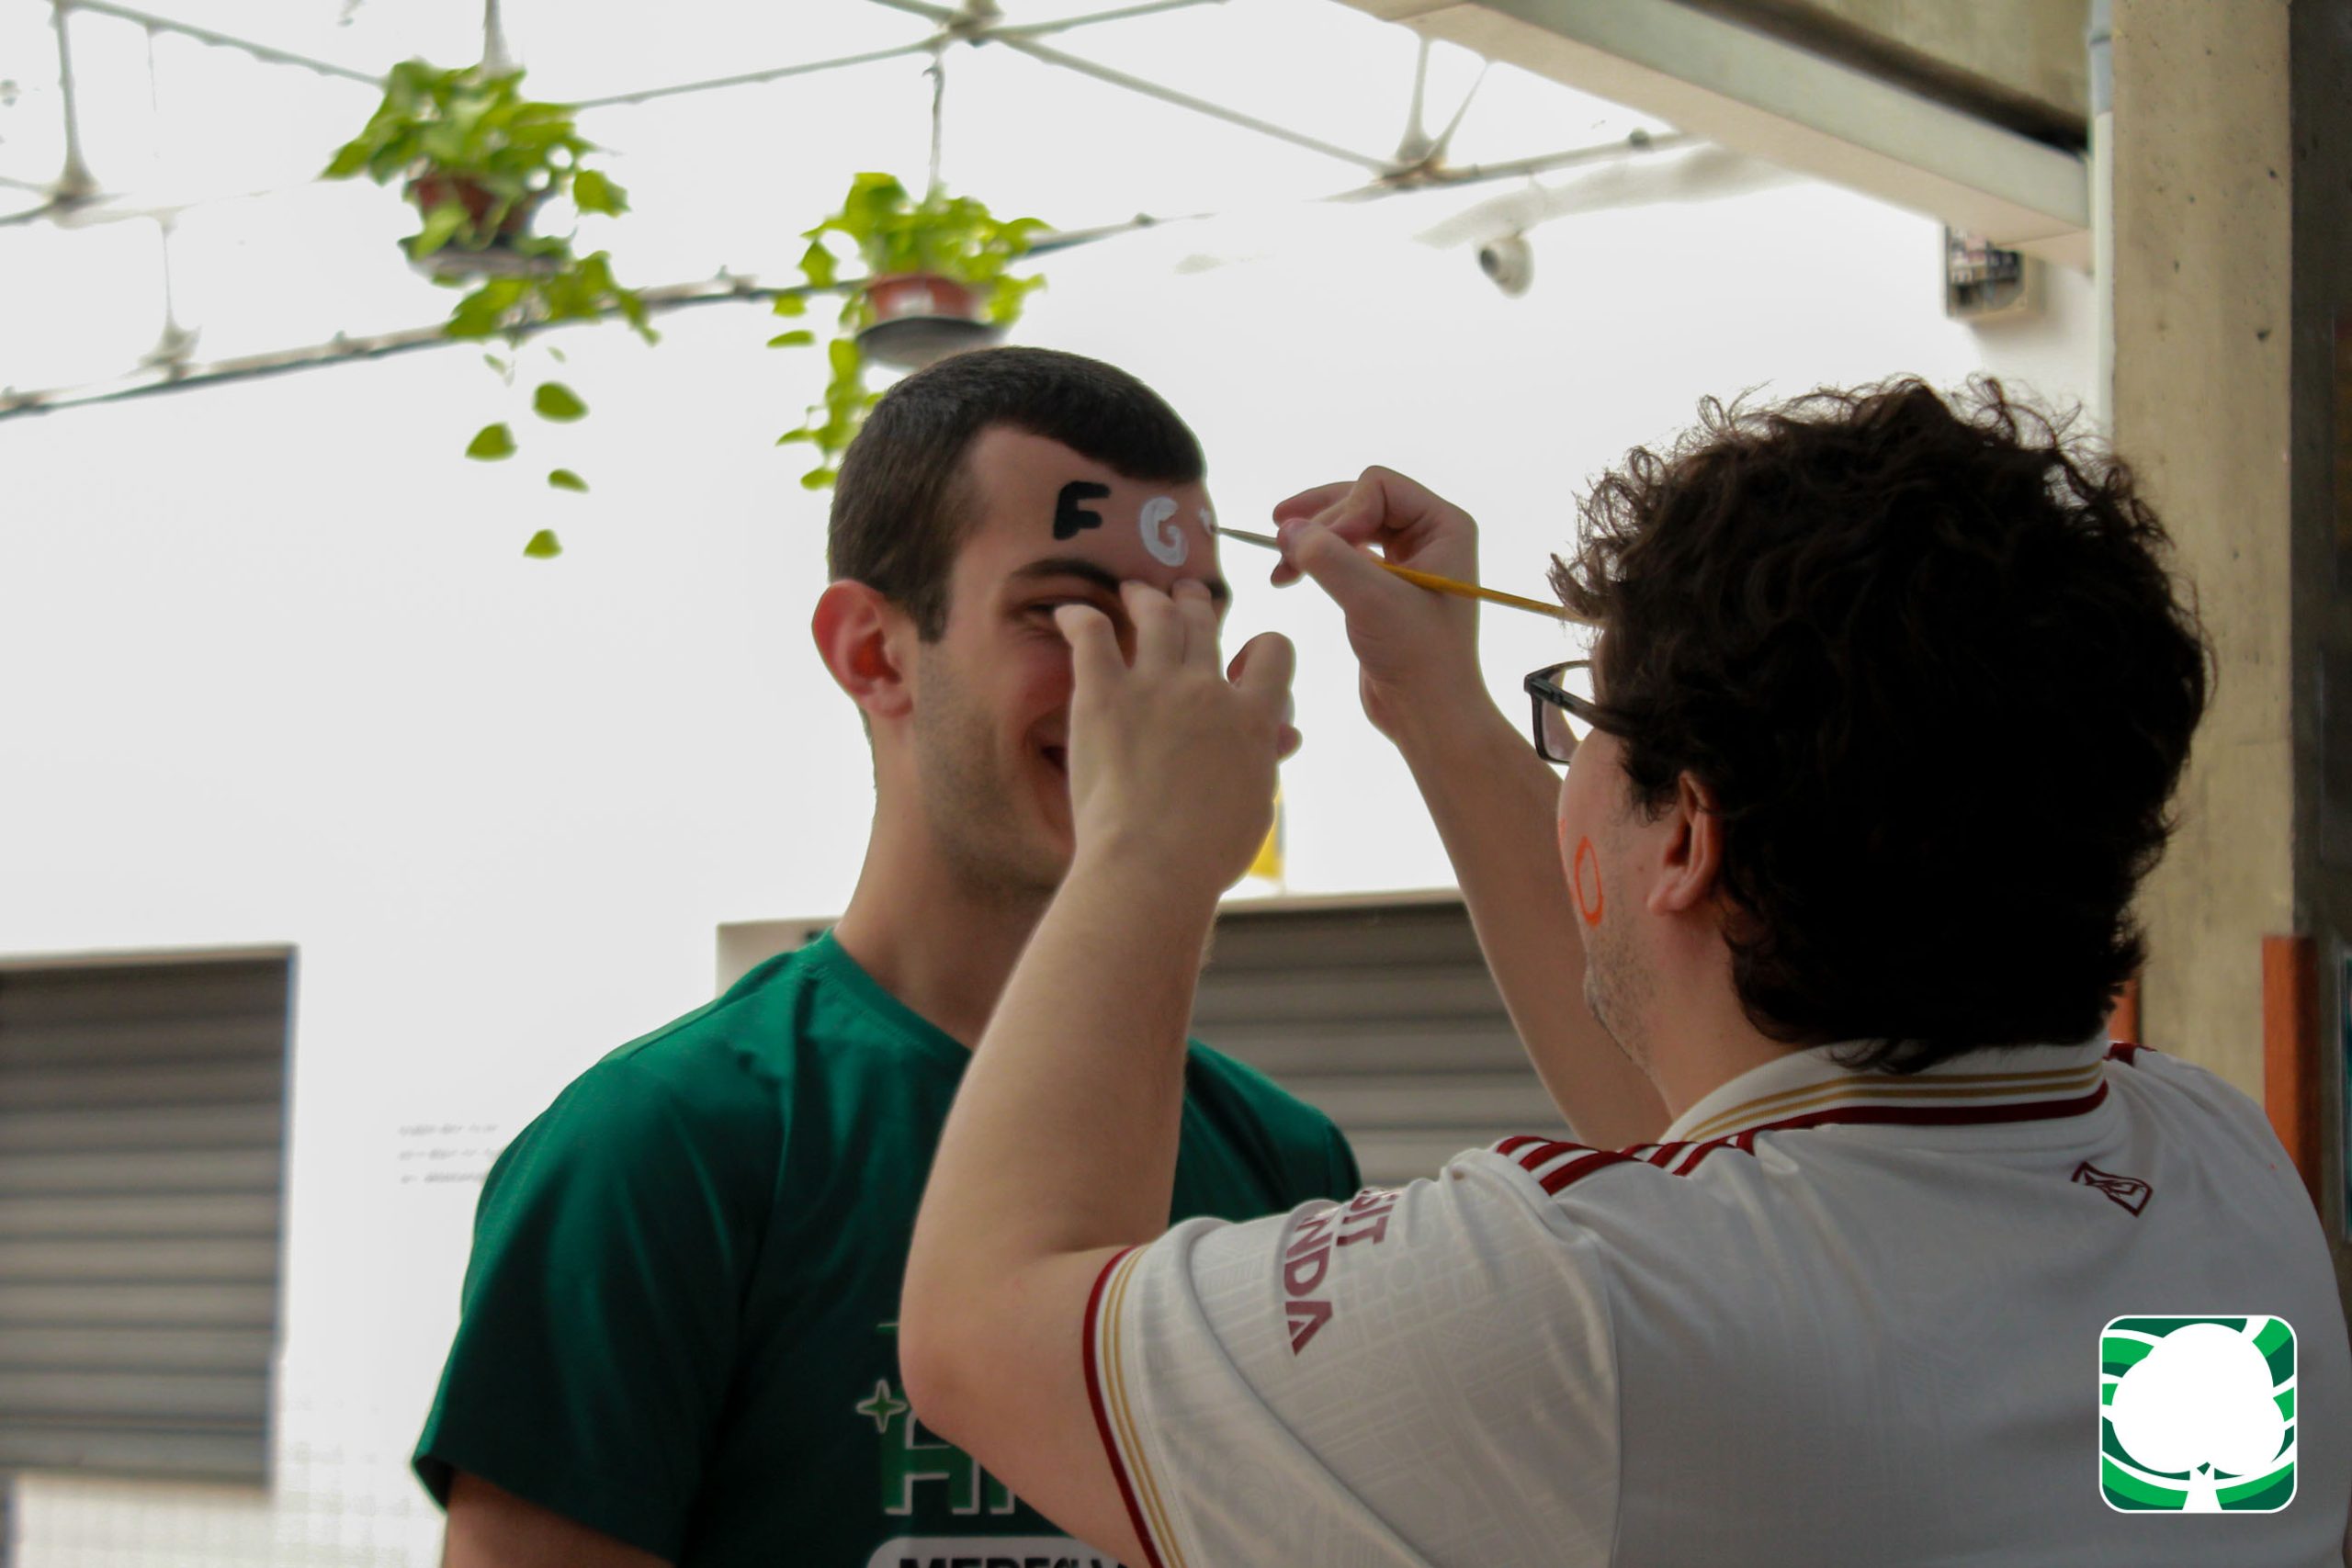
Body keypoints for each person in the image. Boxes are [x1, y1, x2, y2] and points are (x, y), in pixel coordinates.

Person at [899, 379, 2352, 1566]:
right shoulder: (2222, 1175)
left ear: (1690, 836)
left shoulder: (1565, 1313)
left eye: (1583, 717)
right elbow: (1715, 1173)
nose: (1571, 769)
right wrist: (1440, 707)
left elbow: (980, 1330)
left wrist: (1149, 846)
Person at [412, 346, 1361, 1568]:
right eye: (1065, 612)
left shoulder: (1288, 1156)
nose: (1138, 683)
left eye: (1185, 620)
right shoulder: (654, 1148)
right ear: (873, 652)